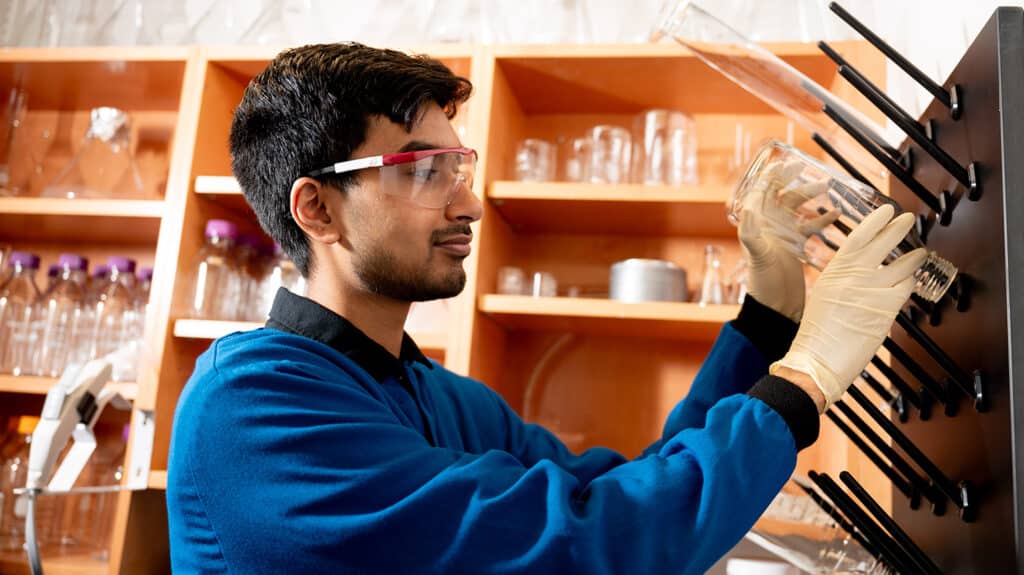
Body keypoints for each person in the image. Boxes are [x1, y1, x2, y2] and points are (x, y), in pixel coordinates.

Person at [166, 43, 925, 574]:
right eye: (426, 170)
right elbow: (587, 548)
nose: (469, 202)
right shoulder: (253, 407)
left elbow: (628, 491)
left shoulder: (442, 399)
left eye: (459, 166)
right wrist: (806, 379)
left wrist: (767, 316)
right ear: (318, 209)